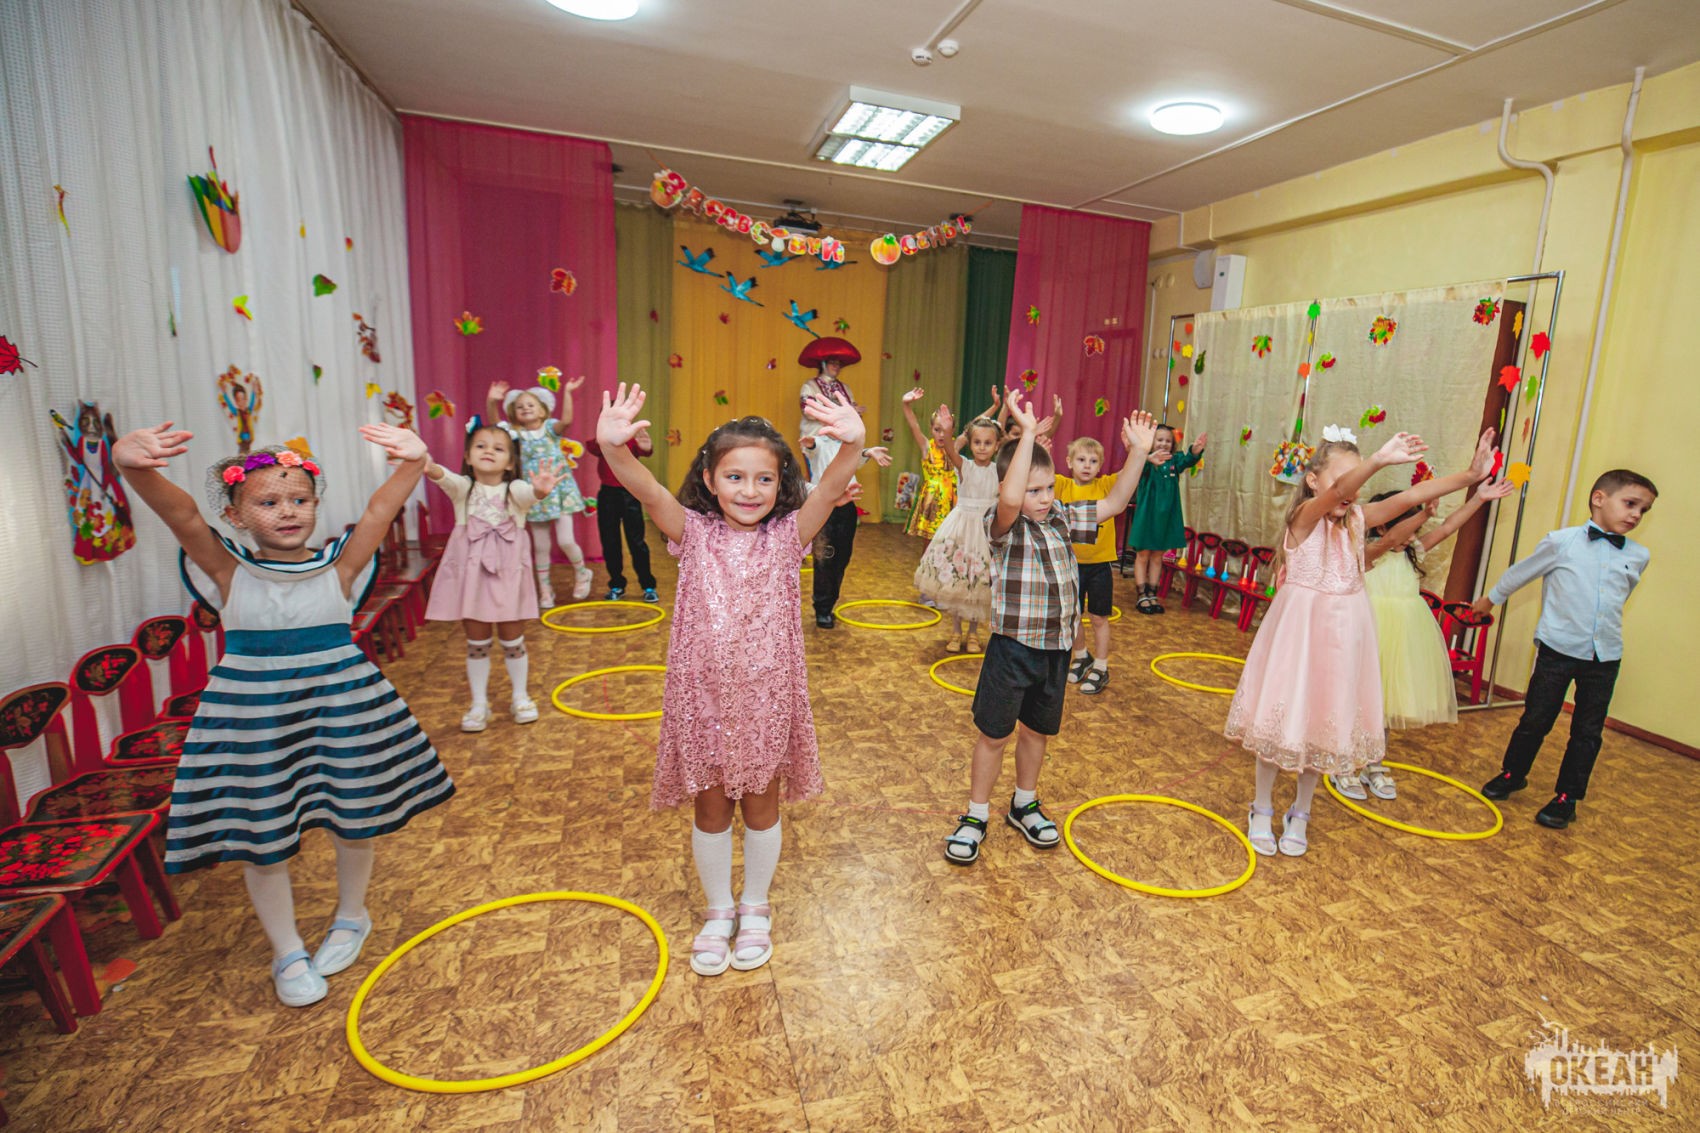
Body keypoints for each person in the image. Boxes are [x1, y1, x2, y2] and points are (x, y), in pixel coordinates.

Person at [112, 421, 454, 1007]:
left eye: (299, 500)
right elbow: (183, 516)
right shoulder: (228, 571)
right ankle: (287, 950)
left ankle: (352, 916)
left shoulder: (340, 567)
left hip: (340, 707)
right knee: (263, 832)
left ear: (316, 506)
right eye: (267, 503)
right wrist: (130, 467)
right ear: (235, 516)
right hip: (255, 717)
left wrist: (412, 461)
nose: (288, 511)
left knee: (354, 816)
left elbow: (379, 511)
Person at [594, 382, 864, 975]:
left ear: (781, 484)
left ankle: (755, 906)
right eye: (735, 477)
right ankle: (719, 909)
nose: (749, 490)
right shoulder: (692, 533)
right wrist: (614, 450)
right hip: (703, 705)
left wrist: (854, 443)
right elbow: (646, 489)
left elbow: (829, 487)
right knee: (711, 810)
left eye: (764, 479)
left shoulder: (788, 537)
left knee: (763, 808)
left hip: (767, 705)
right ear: (710, 480)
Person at [1225, 425, 1496, 857]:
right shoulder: (1305, 518)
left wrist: (1471, 476)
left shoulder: (1357, 521)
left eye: (1357, 482)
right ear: (1314, 481)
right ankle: (1261, 807)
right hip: (1299, 638)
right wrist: (1378, 460)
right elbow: (1338, 494)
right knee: (1282, 721)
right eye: (1342, 479)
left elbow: (1410, 498)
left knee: (1322, 728)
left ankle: (1301, 811)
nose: (1351, 491)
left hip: (1342, 639)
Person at [942, 397, 1157, 866]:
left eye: (1048, 489)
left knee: (1036, 732)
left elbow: (1114, 503)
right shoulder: (1002, 525)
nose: (1043, 498)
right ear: (1010, 489)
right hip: (1012, 651)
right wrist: (1024, 435)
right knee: (994, 736)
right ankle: (976, 814)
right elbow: (1011, 499)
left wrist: (1139, 453)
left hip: (1055, 652)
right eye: (1034, 490)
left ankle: (1024, 803)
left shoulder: (1060, 518)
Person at [1473, 469, 1657, 828]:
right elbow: (1520, 572)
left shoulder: (1639, 555)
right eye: (1630, 503)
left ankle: (1567, 797)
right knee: (1536, 718)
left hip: (1605, 657)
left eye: (1643, 510)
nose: (1636, 515)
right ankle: (1513, 773)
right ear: (1599, 498)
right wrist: (1490, 599)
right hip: (1558, 651)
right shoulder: (1561, 542)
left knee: (1588, 731)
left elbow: (1617, 598)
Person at [1331, 476, 1517, 801]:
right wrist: (1422, 514)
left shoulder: (1411, 552)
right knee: (1358, 702)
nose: (1413, 536)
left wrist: (1479, 498)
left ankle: (1374, 763)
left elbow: (1447, 527)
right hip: (1367, 633)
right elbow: (1393, 539)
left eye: (1415, 530)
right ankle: (1343, 764)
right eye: (1409, 528)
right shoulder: (1367, 553)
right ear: (1382, 526)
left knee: (1388, 703)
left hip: (1401, 637)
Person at [422, 418, 566, 732]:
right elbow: (439, 474)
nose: (489, 451)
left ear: (511, 462)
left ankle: (520, 697)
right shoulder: (463, 489)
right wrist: (422, 460)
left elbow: (531, 495)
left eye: (499, 448)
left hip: (508, 577)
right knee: (477, 641)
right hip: (472, 579)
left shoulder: (514, 490)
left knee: (513, 639)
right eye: (481, 446)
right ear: (468, 456)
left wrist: (541, 490)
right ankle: (479, 704)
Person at [489, 376, 593, 607]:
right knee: (541, 546)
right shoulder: (515, 434)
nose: (525, 408)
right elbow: (495, 426)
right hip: (534, 493)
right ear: (514, 413)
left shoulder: (549, 429)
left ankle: (582, 573)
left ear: (543, 410)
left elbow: (567, 420)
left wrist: (568, 392)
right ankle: (546, 591)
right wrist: (492, 401)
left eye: (531, 405)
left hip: (559, 490)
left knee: (566, 540)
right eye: (520, 406)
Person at [796, 337, 872, 628]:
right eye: (833, 362)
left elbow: (856, 455)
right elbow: (808, 412)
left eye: (840, 363)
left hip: (845, 487)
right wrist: (815, 438)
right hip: (823, 478)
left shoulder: (845, 390)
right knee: (825, 554)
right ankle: (822, 606)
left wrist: (867, 451)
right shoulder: (810, 387)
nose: (837, 367)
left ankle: (829, 600)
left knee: (842, 554)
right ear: (823, 363)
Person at [914, 413, 1004, 652]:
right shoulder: (965, 465)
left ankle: (973, 633)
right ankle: (956, 631)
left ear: (996, 446)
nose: (982, 447)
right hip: (963, 528)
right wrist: (947, 430)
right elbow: (949, 449)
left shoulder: (998, 470)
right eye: (977, 442)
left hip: (985, 531)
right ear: (970, 443)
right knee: (959, 580)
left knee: (978, 583)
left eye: (988, 443)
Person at [1055, 435, 1124, 693]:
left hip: (1099, 566)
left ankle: (1102, 667)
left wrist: (1135, 452)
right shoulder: (1062, 485)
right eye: (1081, 459)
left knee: (1098, 618)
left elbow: (1128, 477)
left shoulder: (1105, 485)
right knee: (1073, 615)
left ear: (1100, 465)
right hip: (1070, 565)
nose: (1087, 465)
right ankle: (1082, 655)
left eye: (1093, 461)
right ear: (1069, 462)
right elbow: (1037, 474)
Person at [1125, 424, 1206, 614]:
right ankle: (1142, 594)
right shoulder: (1145, 462)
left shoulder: (1174, 461)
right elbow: (1134, 465)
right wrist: (1146, 458)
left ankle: (1152, 593)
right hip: (1147, 517)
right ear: (1151, 442)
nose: (1164, 443)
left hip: (1165, 518)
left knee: (1157, 556)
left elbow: (1187, 460)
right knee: (1143, 555)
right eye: (1159, 439)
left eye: (1168, 441)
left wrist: (1195, 450)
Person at [586, 428, 659, 602]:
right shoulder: (603, 441)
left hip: (630, 493)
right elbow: (592, 447)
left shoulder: (632, 441)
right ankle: (617, 585)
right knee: (610, 542)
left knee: (636, 542)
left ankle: (648, 586)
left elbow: (645, 450)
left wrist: (646, 447)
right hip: (607, 495)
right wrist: (603, 435)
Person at [899, 389, 958, 539]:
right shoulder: (927, 446)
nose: (941, 435)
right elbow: (914, 425)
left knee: (949, 541)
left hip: (951, 500)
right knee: (929, 540)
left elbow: (974, 426)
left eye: (945, 430)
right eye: (937, 430)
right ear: (931, 429)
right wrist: (906, 404)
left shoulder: (955, 446)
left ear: (952, 430)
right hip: (931, 500)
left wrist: (997, 407)